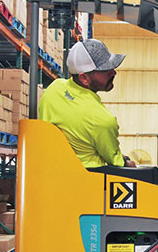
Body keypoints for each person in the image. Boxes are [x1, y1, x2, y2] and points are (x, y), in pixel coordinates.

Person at [38, 39, 135, 168]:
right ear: (84, 78)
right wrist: (127, 163)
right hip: (85, 180)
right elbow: (115, 161)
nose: (113, 72)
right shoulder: (102, 120)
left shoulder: (54, 88)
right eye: (105, 70)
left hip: (52, 173)